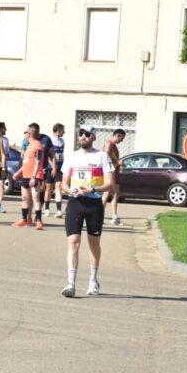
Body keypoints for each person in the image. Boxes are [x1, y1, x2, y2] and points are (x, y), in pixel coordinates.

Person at [60, 125, 114, 298]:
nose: (83, 136)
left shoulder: (102, 156)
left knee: (93, 242)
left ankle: (93, 280)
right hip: (75, 202)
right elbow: (64, 184)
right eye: (80, 134)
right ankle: (71, 283)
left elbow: (110, 183)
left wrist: (92, 189)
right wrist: (70, 191)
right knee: (73, 242)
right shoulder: (72, 157)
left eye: (86, 134)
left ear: (93, 137)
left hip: (94, 204)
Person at [12, 124, 46, 230]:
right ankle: (24, 219)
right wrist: (18, 173)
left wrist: (33, 176)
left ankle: (39, 221)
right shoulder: (28, 146)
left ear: (29, 134)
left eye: (25, 132)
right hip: (25, 176)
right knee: (25, 198)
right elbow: (26, 163)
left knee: (35, 198)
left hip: (34, 176)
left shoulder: (38, 145)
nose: (24, 134)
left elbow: (38, 162)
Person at [102, 129, 126, 225]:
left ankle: (114, 217)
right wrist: (117, 163)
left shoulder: (113, 145)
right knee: (106, 195)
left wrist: (119, 163)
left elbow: (112, 158)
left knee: (116, 195)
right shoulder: (108, 144)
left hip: (115, 173)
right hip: (109, 174)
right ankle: (99, 215)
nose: (122, 141)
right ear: (118, 136)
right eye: (122, 138)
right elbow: (105, 158)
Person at [43, 123, 66, 218]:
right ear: (58, 131)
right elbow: (49, 155)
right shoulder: (49, 140)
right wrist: (53, 166)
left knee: (59, 187)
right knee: (49, 188)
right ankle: (47, 209)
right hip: (50, 167)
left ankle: (58, 210)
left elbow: (61, 154)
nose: (64, 132)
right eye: (63, 130)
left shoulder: (62, 141)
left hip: (60, 167)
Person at [0, 122, 9, 214]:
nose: (5, 130)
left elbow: (6, 153)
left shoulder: (6, 140)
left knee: (1, 185)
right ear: (0, 129)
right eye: (4, 128)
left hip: (2, 165)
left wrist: (4, 158)